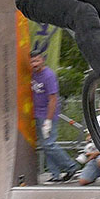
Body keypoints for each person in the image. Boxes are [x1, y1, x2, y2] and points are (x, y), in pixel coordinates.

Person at [30, 49, 79, 182]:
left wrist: (49, 120)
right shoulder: (32, 75)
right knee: (46, 146)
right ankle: (55, 174)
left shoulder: (49, 75)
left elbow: (53, 99)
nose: (35, 64)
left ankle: (71, 166)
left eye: (37, 60)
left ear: (42, 60)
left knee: (49, 144)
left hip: (47, 114)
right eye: (32, 61)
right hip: (37, 113)